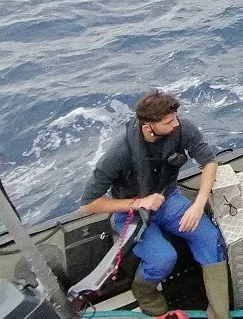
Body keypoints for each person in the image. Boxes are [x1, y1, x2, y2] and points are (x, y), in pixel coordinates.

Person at [81, 91, 229, 319]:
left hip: (168, 199)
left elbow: (209, 162)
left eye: (175, 118)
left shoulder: (182, 129)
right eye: (168, 122)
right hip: (132, 212)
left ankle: (220, 314)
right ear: (148, 126)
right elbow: (88, 204)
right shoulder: (119, 154)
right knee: (163, 258)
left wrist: (198, 205)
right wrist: (139, 202)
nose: (176, 124)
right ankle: (146, 295)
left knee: (209, 238)